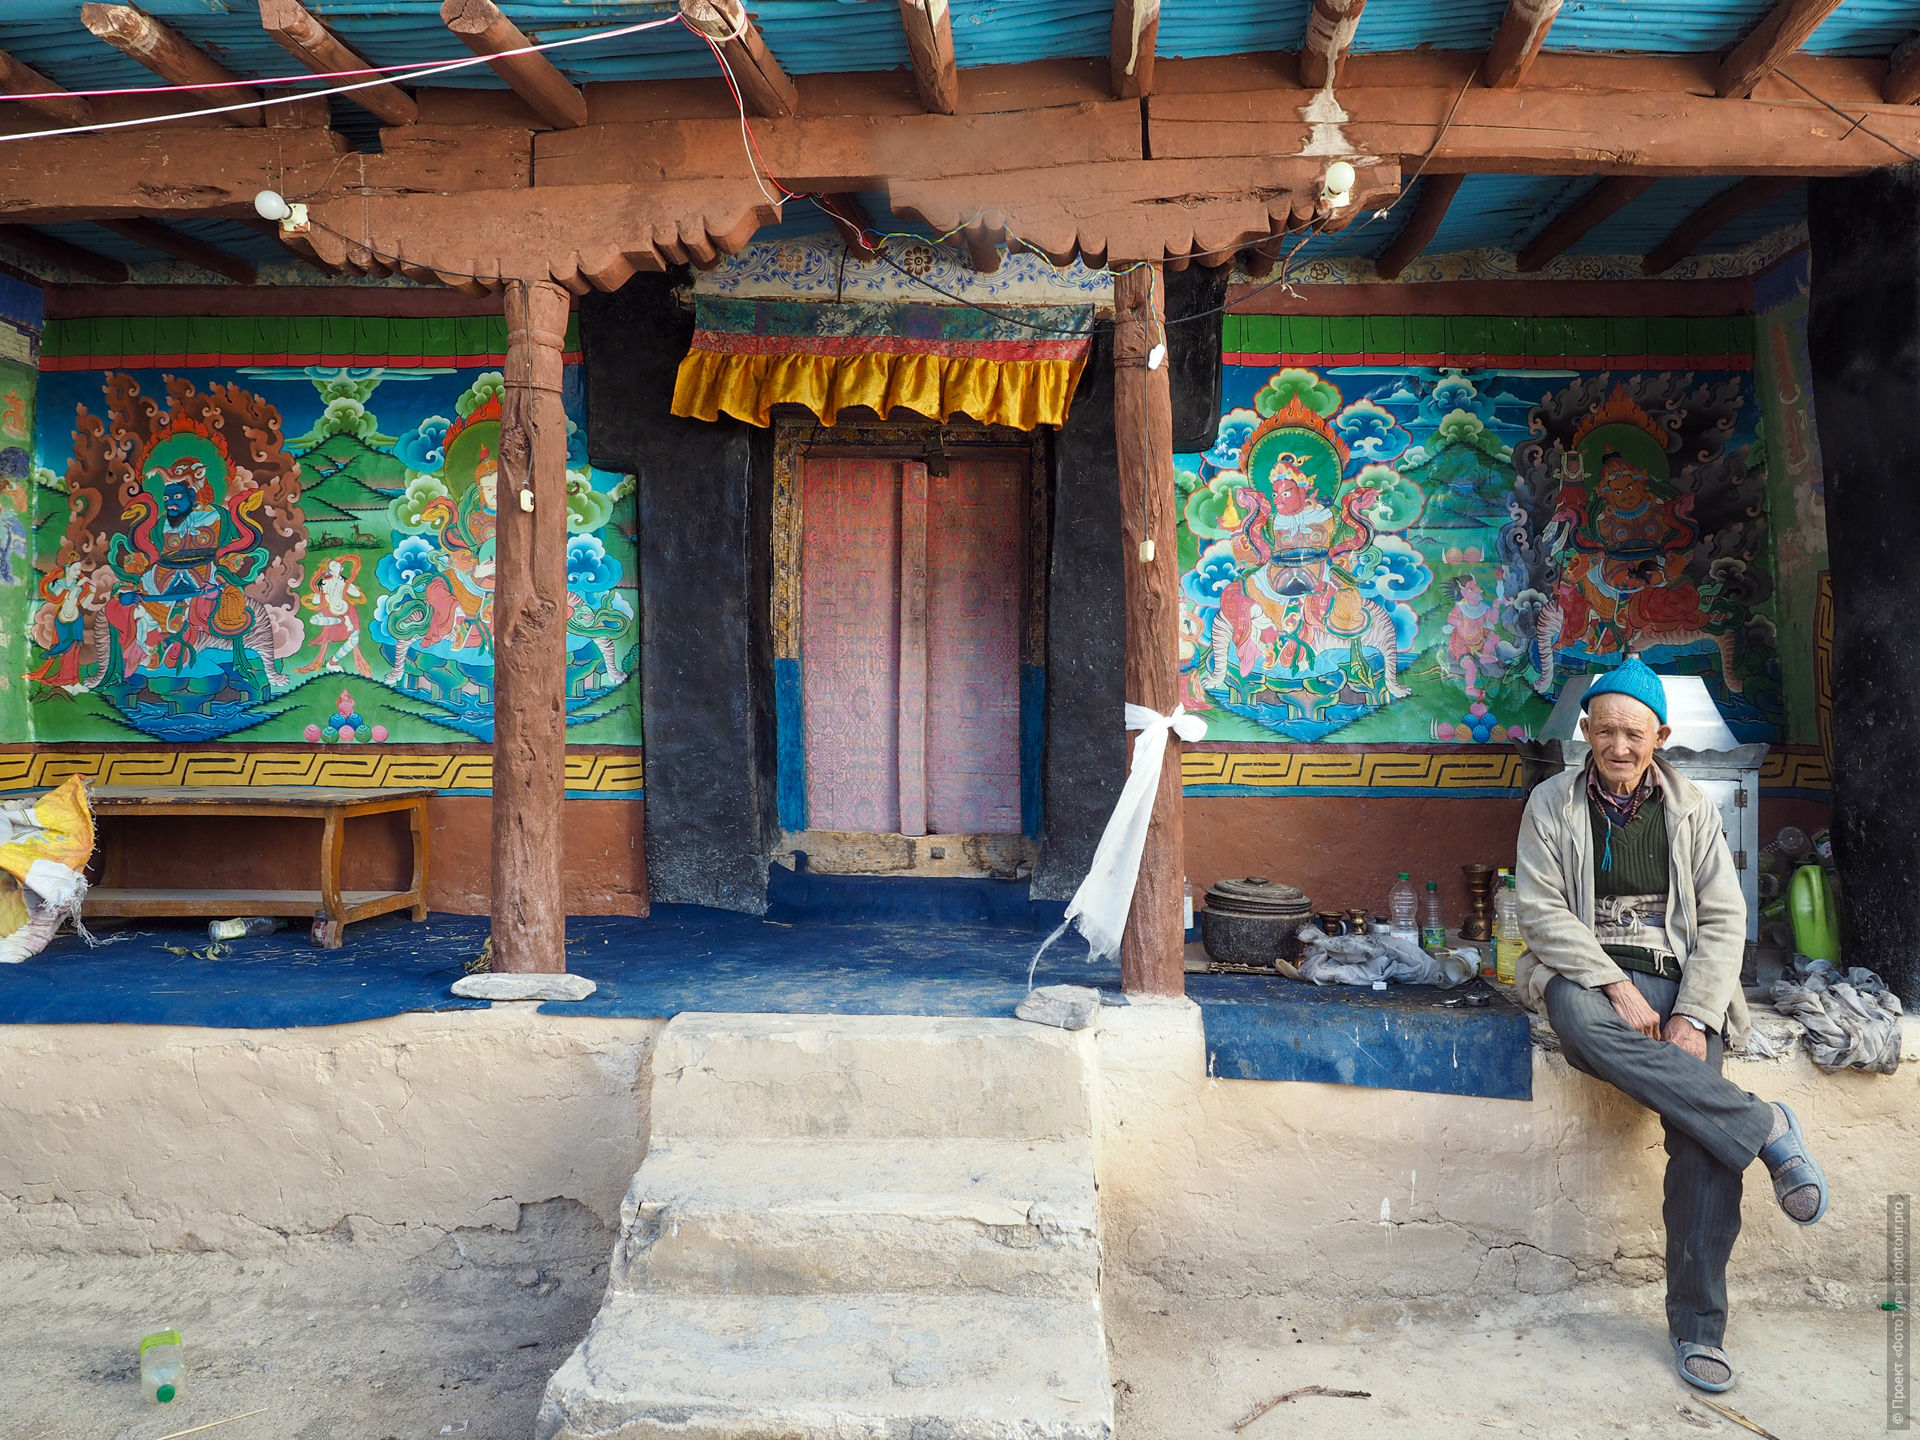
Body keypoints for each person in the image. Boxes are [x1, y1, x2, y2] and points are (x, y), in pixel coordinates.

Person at [1513, 654, 1827, 1394]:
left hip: (1684, 976)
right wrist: (1616, 984)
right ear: (1585, 730)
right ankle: (1765, 1126)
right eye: (1606, 732)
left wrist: (1691, 1013)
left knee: (1701, 1136)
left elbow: (1723, 920)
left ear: (1662, 735)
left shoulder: (1693, 810)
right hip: (1591, 971)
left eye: (1636, 734)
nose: (1619, 748)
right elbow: (1542, 911)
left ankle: (1697, 1329)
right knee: (1584, 1026)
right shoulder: (1551, 804)